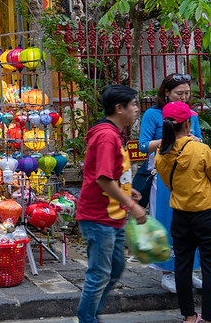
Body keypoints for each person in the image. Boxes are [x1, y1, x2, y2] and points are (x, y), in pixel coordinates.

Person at [76, 84, 147, 323]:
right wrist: (133, 205)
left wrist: (128, 189)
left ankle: (90, 313)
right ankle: (87, 319)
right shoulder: (107, 136)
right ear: (119, 108)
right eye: (134, 105)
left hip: (113, 216)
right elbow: (104, 179)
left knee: (114, 270)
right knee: (99, 274)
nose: (137, 109)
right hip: (98, 218)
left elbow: (112, 174)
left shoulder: (115, 133)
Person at [138, 73, 204, 293]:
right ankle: (167, 272)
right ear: (166, 93)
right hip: (164, 174)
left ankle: (190, 270)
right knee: (166, 221)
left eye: (187, 93)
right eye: (179, 93)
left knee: (192, 222)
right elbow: (143, 146)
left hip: (190, 174)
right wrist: (171, 139)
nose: (184, 97)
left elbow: (199, 139)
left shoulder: (191, 115)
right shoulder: (152, 115)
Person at [155, 102, 211, 323]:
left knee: (182, 264)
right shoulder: (201, 150)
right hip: (205, 213)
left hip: (180, 215)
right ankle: (208, 318)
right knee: (208, 265)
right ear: (188, 123)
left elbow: (170, 184)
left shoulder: (162, 153)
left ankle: (189, 316)